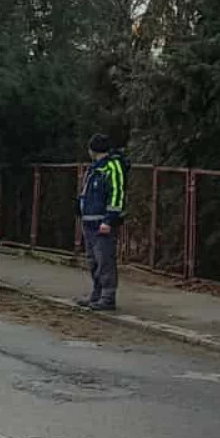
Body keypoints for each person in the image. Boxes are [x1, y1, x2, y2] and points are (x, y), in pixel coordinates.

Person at [75, 133, 129, 311]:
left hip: (102, 223)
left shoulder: (112, 167)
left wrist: (109, 220)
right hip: (89, 222)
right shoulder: (94, 168)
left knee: (105, 259)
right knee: (93, 260)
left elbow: (116, 194)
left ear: (93, 150)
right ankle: (97, 293)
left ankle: (107, 296)